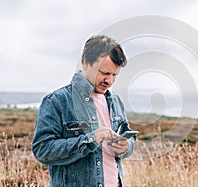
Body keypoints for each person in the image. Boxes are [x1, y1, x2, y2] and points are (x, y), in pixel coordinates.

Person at [32, 35, 136, 187]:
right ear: (86, 63)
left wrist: (126, 146)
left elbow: (129, 138)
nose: (110, 81)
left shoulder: (115, 101)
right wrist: (90, 139)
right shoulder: (56, 101)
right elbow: (42, 150)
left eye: (114, 75)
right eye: (104, 73)